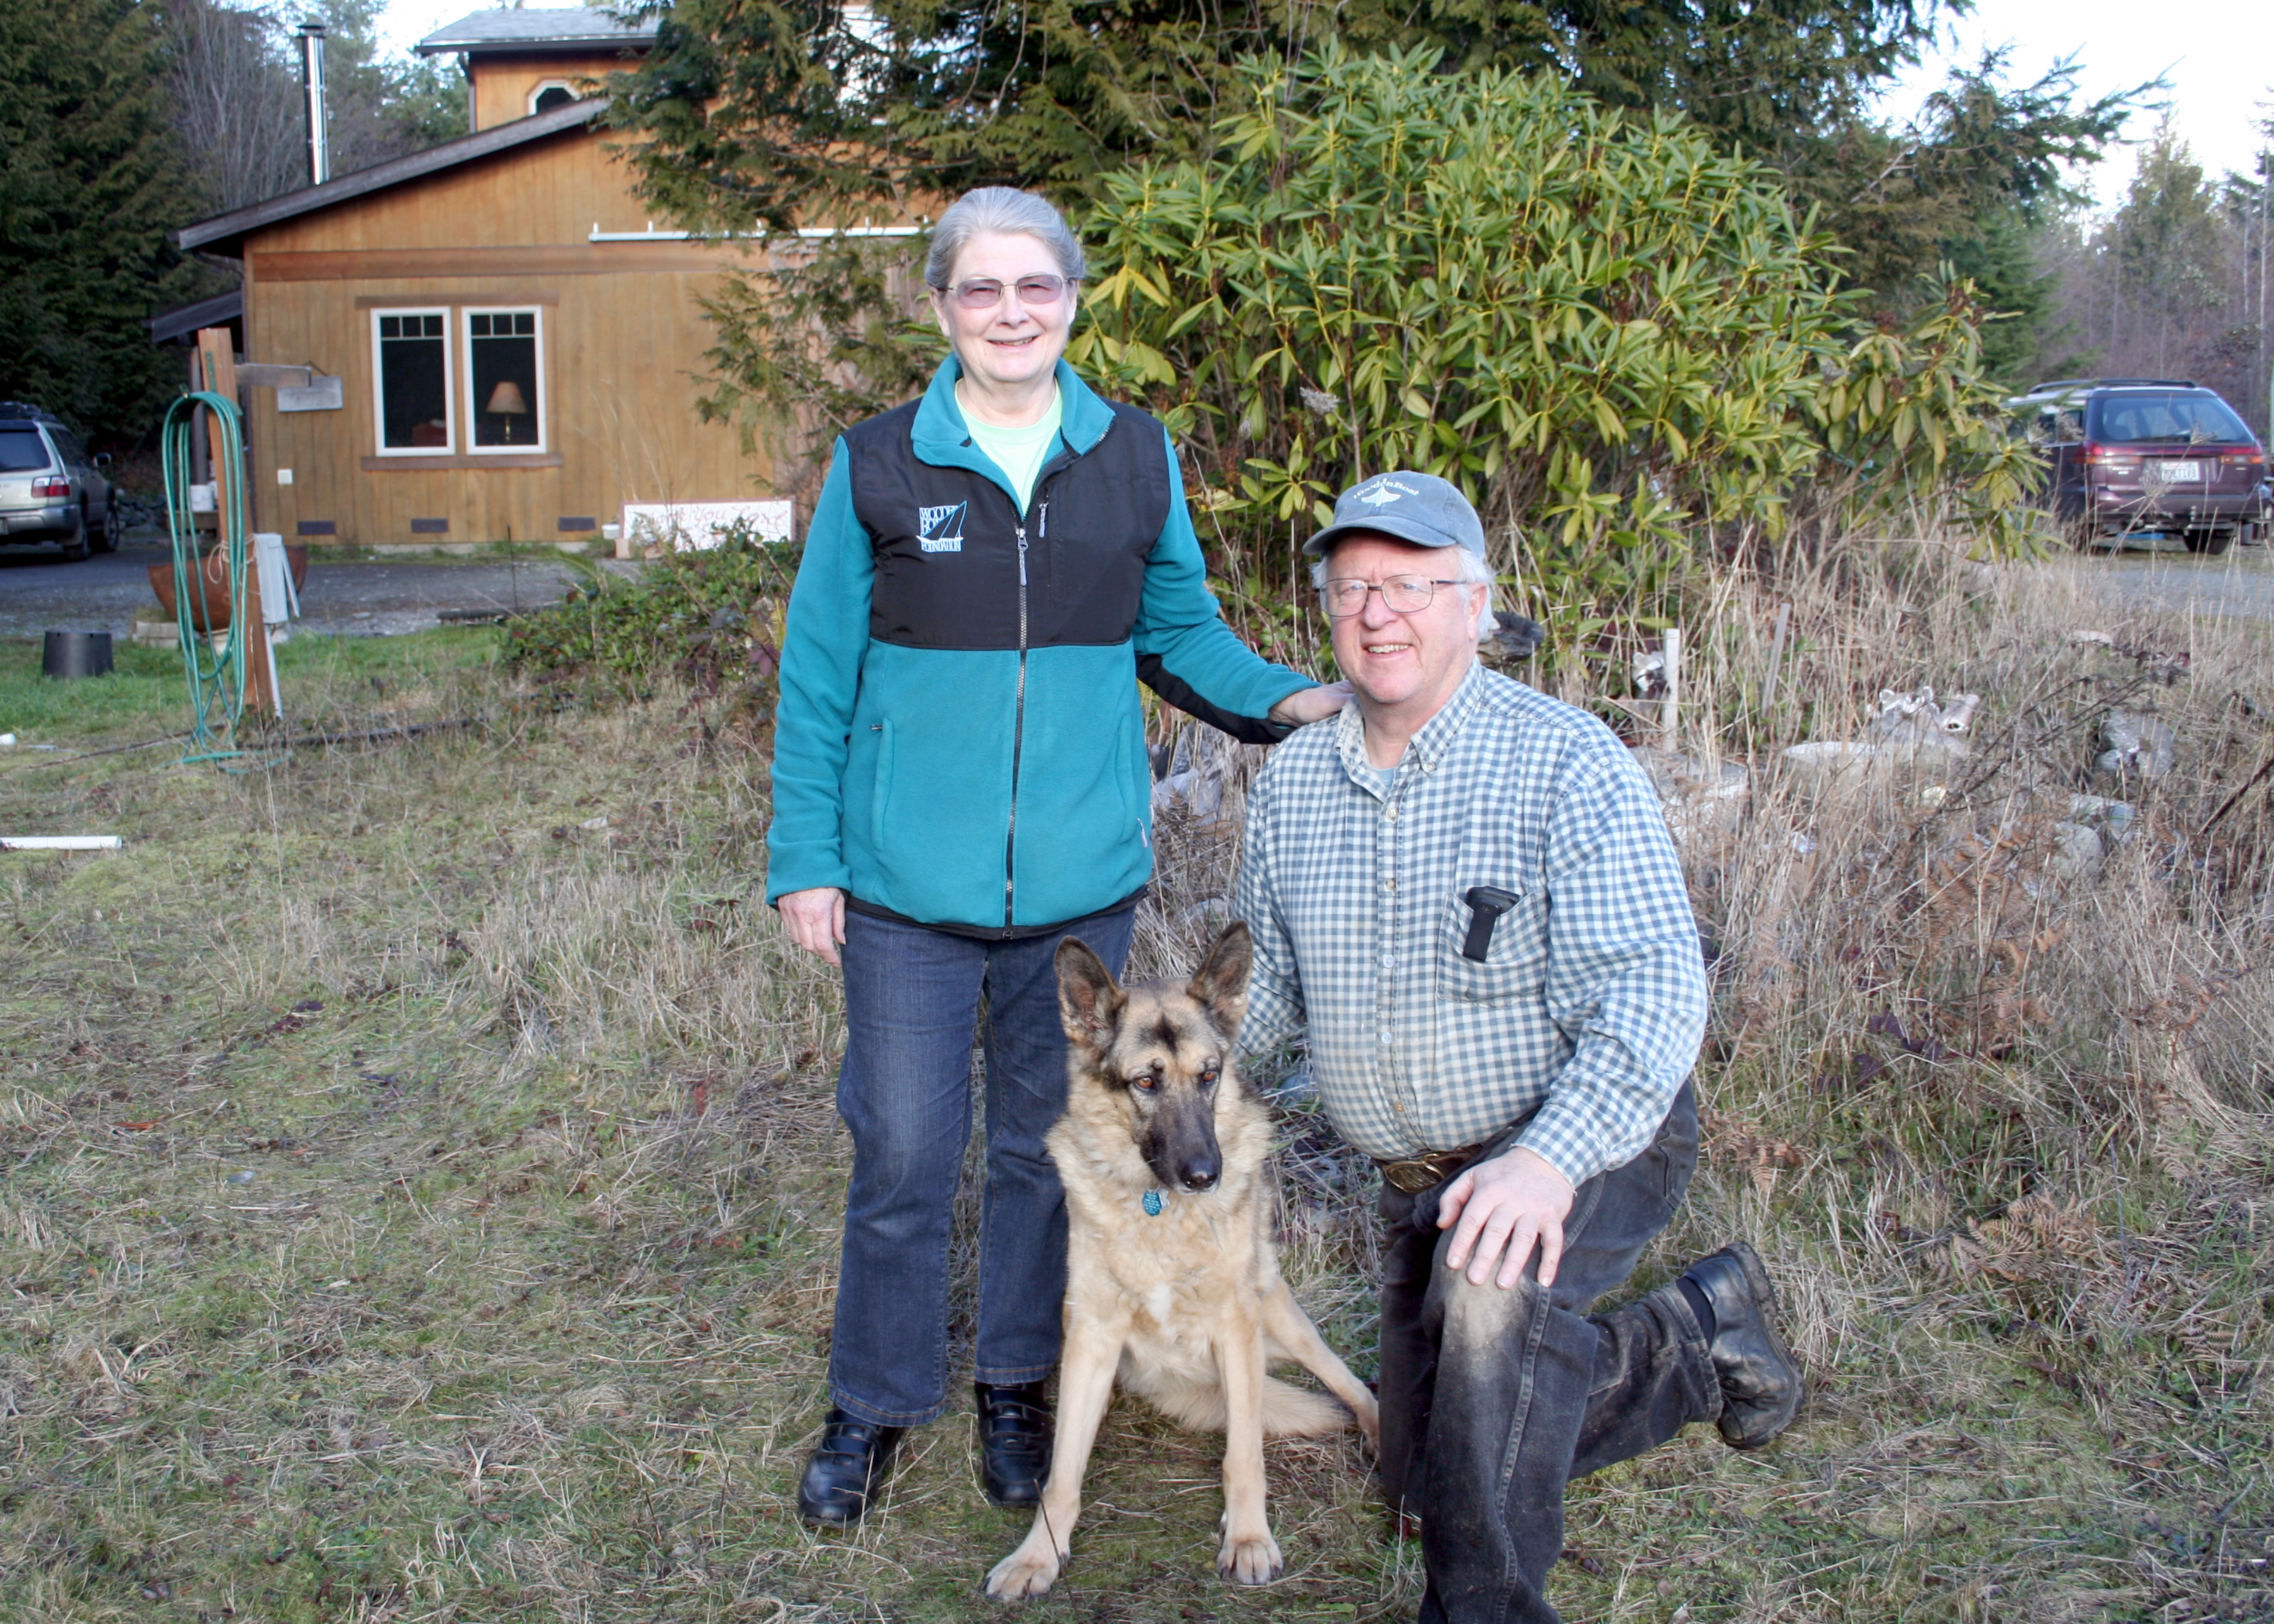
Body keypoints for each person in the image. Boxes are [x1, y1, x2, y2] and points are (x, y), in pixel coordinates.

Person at [766, 185, 1346, 1528]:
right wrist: (809, 859)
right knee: (904, 1150)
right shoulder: (879, 467)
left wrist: (1289, 700)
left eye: (1035, 288)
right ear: (943, 306)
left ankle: (1017, 1389)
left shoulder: (1133, 458)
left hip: (1080, 896)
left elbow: (1181, 634)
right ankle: (873, 1406)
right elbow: (817, 680)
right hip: (904, 887)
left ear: (1072, 301)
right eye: (981, 289)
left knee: (1046, 1152)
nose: (1010, 311)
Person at [1233, 470, 1805, 1623]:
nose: (1377, 613)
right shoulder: (1292, 787)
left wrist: (1546, 1161)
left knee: (1490, 1304)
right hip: (1417, 1180)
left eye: (1407, 584)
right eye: (1352, 589)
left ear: (1477, 603)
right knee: (1420, 1476)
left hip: (1583, 1134)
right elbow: (1267, 1001)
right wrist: (1174, 1093)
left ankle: (1481, 1607)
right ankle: (1696, 1337)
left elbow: (1651, 993)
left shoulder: (1565, 761)